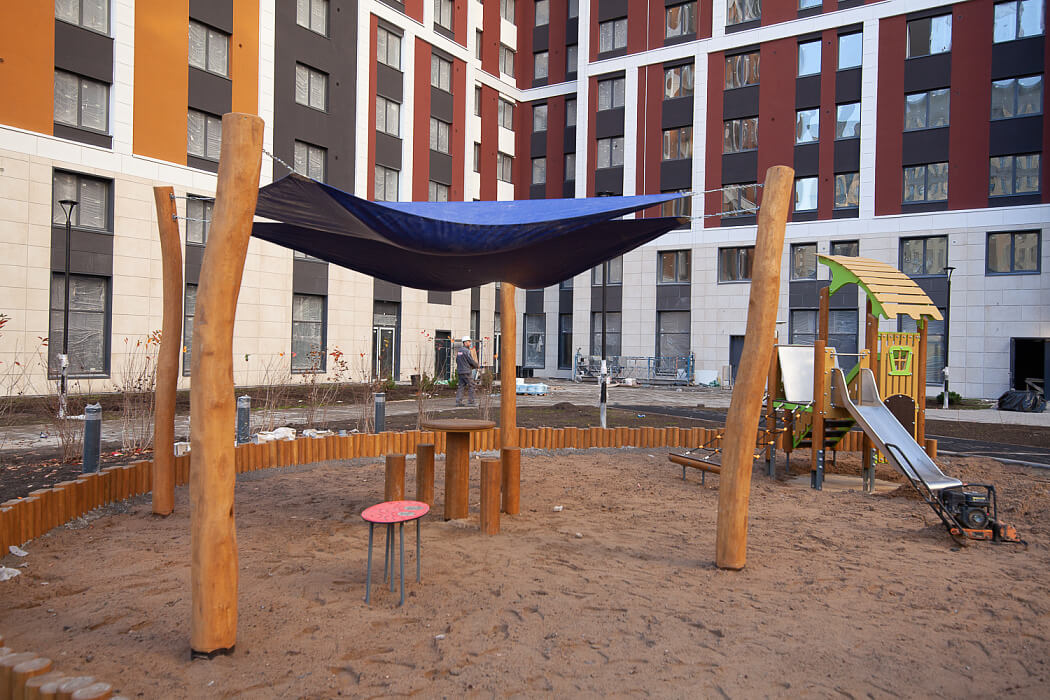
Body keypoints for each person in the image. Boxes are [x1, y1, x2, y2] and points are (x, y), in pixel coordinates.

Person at [455, 336, 479, 406]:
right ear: (465, 343)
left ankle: (458, 402)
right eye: (469, 342)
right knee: (472, 385)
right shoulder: (467, 351)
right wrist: (476, 365)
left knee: (461, 386)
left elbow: (457, 360)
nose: (470, 343)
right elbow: (471, 360)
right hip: (466, 372)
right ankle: (471, 402)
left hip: (460, 371)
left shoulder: (459, 351)